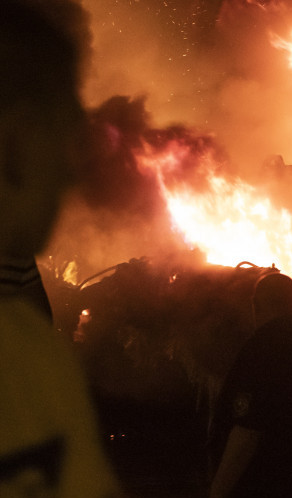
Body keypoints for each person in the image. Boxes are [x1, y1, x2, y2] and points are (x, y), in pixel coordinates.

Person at [1, 2, 120, 496]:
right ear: (20, 141)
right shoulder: (23, 360)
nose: (72, 174)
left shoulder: (27, 340)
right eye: (65, 138)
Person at [210, 272, 292, 498]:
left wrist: (218, 491)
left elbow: (248, 431)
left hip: (271, 480)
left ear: (255, 304)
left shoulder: (261, 349)